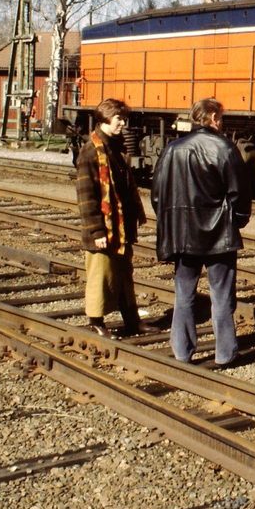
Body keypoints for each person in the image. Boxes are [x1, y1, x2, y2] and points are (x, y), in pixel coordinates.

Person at [150, 97, 252, 366]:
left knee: (184, 295)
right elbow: (240, 193)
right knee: (222, 296)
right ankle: (225, 354)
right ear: (213, 118)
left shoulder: (172, 149)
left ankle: (182, 352)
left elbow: (158, 195)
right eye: (221, 118)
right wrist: (238, 221)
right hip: (219, 235)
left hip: (183, 234)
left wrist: (171, 221)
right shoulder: (225, 148)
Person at [75, 98, 155, 339]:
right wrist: (97, 231)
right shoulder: (90, 152)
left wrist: (133, 216)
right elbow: (86, 198)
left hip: (120, 227)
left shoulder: (115, 148)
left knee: (123, 275)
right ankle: (96, 321)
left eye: (124, 119)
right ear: (105, 119)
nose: (123, 123)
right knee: (101, 276)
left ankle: (132, 321)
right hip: (104, 230)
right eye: (119, 119)